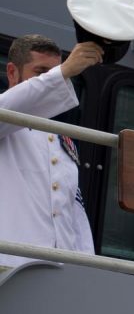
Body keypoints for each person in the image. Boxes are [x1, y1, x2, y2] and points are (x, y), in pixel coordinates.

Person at [0, 34, 103, 267]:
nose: (52, 80)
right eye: (40, 72)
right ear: (12, 73)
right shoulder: (4, 118)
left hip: (58, 272)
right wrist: (63, 72)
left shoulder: (59, 137)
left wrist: (87, 268)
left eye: (53, 72)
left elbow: (73, 211)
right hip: (9, 262)